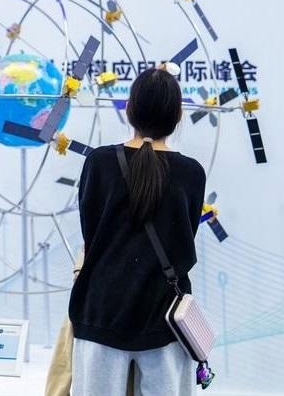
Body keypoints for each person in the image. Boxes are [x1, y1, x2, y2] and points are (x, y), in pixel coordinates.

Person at [69, 66, 206, 396]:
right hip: (166, 316)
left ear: (130, 109)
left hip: (101, 311)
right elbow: (184, 238)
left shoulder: (99, 163)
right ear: (177, 115)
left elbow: (91, 234)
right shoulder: (191, 173)